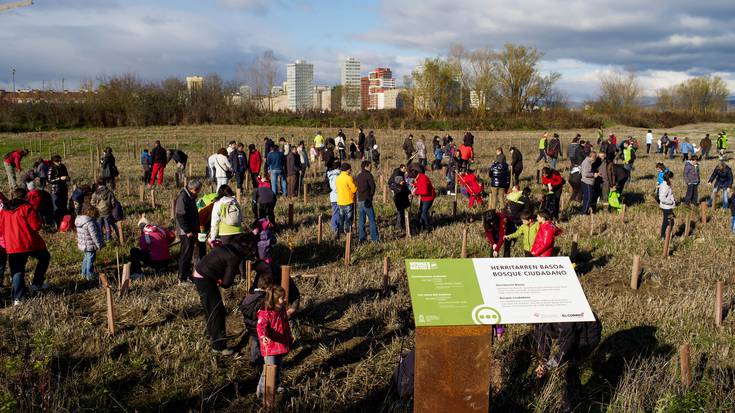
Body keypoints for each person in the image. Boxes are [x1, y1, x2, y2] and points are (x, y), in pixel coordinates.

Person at [194, 233, 254, 355]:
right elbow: (226, 283)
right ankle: (219, 346)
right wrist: (223, 280)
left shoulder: (228, 247)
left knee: (211, 309)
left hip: (200, 273)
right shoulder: (234, 256)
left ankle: (213, 337)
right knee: (217, 311)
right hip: (205, 279)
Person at [533, 316, 602, 411]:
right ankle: (578, 394)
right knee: (568, 364)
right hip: (572, 332)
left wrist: (548, 366)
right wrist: (543, 359)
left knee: (570, 366)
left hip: (589, 334)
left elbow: (565, 350)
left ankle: (572, 405)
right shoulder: (539, 314)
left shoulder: (565, 320)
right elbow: (542, 334)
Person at [0, 187, 50, 305]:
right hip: (28, 243)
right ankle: (36, 284)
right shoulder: (27, 208)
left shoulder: (4, 210)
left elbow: (1, 228)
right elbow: (35, 226)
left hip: (11, 245)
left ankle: (18, 298)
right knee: (44, 257)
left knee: (17, 270)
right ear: (26, 197)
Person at [256, 285, 294, 398]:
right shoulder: (265, 313)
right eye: (282, 298)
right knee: (268, 370)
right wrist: (263, 337)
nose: (285, 300)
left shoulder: (281, 309)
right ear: (275, 299)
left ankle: (277, 384)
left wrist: (289, 337)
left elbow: (285, 325)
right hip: (270, 346)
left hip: (280, 343)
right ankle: (262, 392)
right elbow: (260, 327)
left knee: (278, 366)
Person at [175, 179, 204, 284]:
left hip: (190, 230)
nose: (199, 192)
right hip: (185, 232)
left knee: (189, 254)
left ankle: (186, 275)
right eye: (198, 190)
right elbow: (180, 215)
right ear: (194, 189)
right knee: (185, 254)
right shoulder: (183, 197)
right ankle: (182, 278)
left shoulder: (190, 196)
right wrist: (187, 230)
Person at [75, 203, 105, 281]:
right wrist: (99, 245)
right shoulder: (90, 223)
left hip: (84, 244)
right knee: (90, 259)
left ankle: (83, 273)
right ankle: (89, 275)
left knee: (86, 258)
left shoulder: (80, 220)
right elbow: (94, 235)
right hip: (90, 245)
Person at [355, 161, 379, 242]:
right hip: (367, 200)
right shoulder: (369, 175)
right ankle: (375, 239)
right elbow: (373, 187)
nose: (371, 167)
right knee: (372, 220)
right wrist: (371, 196)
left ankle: (362, 239)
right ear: (366, 166)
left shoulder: (358, 176)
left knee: (361, 221)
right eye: (370, 166)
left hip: (360, 201)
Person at [90, 177, 119, 242]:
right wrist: (110, 207)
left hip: (99, 212)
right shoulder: (109, 192)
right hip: (108, 212)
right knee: (107, 226)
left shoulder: (96, 193)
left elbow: (92, 203)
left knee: (99, 226)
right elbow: (113, 202)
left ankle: (100, 239)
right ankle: (108, 239)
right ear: (105, 183)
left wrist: (97, 207)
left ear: (98, 184)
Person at [335, 163, 357, 236]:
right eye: (350, 169)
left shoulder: (338, 178)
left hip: (340, 201)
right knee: (348, 218)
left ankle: (340, 231)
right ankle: (348, 233)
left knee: (341, 218)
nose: (351, 170)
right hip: (348, 201)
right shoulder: (348, 178)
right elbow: (354, 190)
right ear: (347, 170)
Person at [48, 155, 70, 228]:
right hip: (55, 190)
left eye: (60, 160)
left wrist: (67, 178)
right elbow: (49, 180)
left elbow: (67, 176)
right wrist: (59, 178)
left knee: (64, 206)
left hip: (63, 189)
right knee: (56, 208)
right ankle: (56, 224)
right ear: (54, 161)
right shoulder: (51, 168)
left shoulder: (63, 166)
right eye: (58, 161)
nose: (59, 162)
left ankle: (65, 224)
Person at [412, 166, 436, 232]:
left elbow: (424, 191)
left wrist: (415, 192)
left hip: (429, 197)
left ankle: (428, 227)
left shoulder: (423, 179)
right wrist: (414, 184)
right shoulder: (419, 177)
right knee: (420, 211)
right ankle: (420, 224)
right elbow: (419, 185)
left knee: (424, 213)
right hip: (424, 197)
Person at [658, 171, 675, 240]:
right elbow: (662, 198)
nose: (673, 179)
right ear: (669, 178)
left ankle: (664, 236)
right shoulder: (665, 186)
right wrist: (670, 202)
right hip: (666, 207)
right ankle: (664, 236)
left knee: (667, 221)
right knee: (670, 221)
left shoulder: (667, 184)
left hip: (667, 207)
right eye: (672, 178)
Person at [327, 160, 341, 233]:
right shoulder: (335, 176)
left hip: (335, 197)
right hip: (336, 197)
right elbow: (335, 187)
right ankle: (334, 228)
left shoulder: (333, 175)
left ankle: (337, 227)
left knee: (337, 212)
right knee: (336, 212)